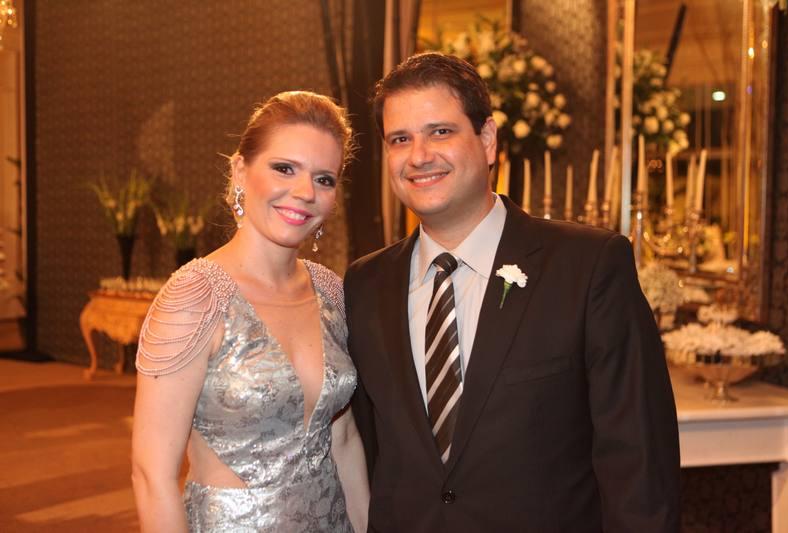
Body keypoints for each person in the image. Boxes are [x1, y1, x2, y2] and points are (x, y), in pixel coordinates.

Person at [345, 52, 680, 532]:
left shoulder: (587, 266)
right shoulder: (364, 284)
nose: (418, 156)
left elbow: (640, 465)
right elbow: (370, 453)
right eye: (400, 139)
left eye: (440, 131)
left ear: (487, 140)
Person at [131, 91, 369, 532]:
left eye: (324, 179)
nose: (305, 192)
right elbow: (152, 475)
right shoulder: (195, 296)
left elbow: (343, 438)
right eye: (284, 168)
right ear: (241, 170)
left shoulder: (331, 291)